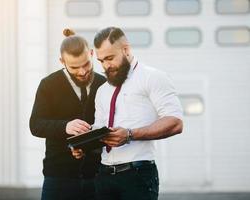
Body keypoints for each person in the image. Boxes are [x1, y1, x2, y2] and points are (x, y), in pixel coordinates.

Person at [78, 27, 183, 200]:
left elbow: (175, 122)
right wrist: (85, 145)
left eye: (110, 58)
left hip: (137, 175)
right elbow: (100, 129)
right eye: (101, 60)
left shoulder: (153, 77)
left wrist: (129, 134)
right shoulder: (102, 90)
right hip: (104, 175)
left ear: (126, 49)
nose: (106, 66)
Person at [29, 28, 106, 200]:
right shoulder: (48, 85)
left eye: (86, 64)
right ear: (61, 61)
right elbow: (35, 125)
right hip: (58, 178)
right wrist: (66, 126)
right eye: (74, 67)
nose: (82, 71)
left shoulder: (105, 85)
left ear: (92, 53)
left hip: (97, 177)